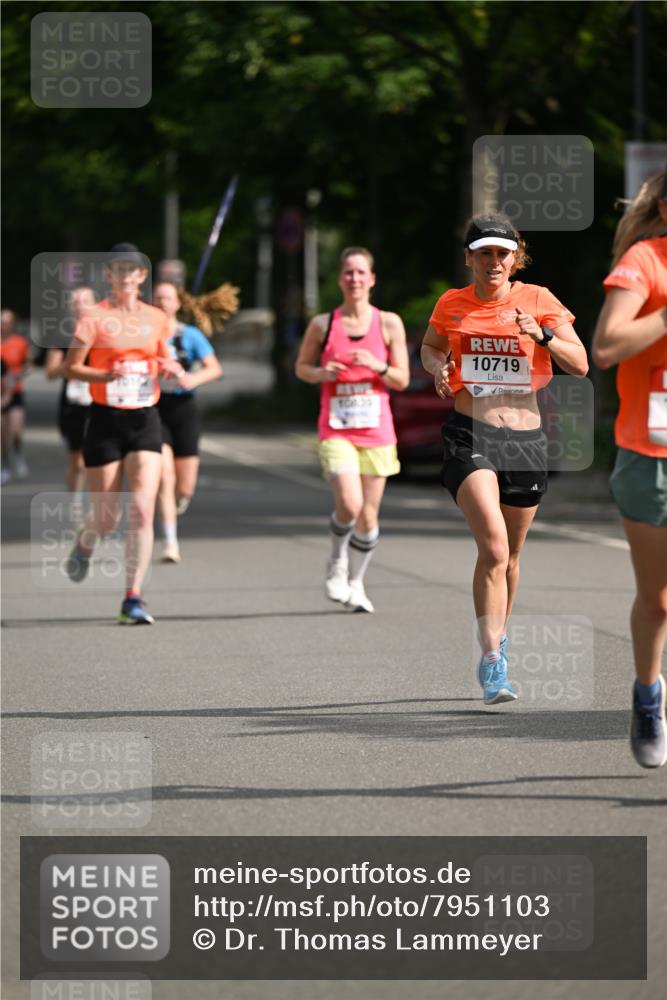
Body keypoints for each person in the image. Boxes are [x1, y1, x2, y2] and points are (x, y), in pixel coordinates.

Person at [421, 214, 588, 705]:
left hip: (525, 440)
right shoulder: (452, 303)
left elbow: (579, 364)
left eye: (503, 253)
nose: (494, 261)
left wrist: (541, 334)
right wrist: (440, 366)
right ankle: (492, 658)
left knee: (512, 556)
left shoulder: (538, 300)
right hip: (469, 433)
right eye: (485, 252)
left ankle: (500, 638)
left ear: (516, 257)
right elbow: (431, 347)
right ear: (469, 257)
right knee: (493, 548)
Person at [63, 244, 184, 624]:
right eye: (118, 270)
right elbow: (71, 367)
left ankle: (132, 597)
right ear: (110, 277)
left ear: (142, 277)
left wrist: (170, 367)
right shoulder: (94, 317)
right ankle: (87, 539)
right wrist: (103, 375)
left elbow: (165, 356)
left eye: (132, 271)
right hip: (105, 420)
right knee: (107, 519)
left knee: (142, 510)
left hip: (145, 417)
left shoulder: (155, 317)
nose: (126, 277)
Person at [592, 168, 667, 768]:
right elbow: (608, 345)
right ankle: (648, 694)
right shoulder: (646, 262)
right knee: (660, 600)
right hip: (651, 456)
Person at [295, 246, 410, 612]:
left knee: (368, 515)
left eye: (361, 272)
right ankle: (336, 561)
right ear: (340, 278)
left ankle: (357, 584)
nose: (354, 279)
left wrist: (378, 366)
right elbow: (301, 367)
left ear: (372, 279)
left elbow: (402, 379)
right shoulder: (322, 324)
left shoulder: (389, 323)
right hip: (336, 428)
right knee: (349, 502)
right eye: (348, 272)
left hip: (377, 431)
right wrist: (321, 373)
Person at [152, 281, 223, 563]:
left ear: (177, 303)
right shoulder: (143, 333)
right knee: (164, 476)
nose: (162, 302)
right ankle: (170, 543)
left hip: (183, 408)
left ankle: (180, 499)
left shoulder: (189, 335)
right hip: (154, 408)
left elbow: (215, 368)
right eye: (157, 297)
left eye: (167, 298)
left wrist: (193, 378)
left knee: (185, 487)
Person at [45, 287, 96, 511]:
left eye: (85, 301)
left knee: (97, 457)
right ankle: (74, 501)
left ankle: (98, 504)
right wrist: (72, 364)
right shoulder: (63, 334)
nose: (80, 306)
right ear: (69, 307)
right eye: (75, 302)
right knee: (77, 461)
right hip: (73, 404)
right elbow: (50, 372)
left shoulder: (104, 332)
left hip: (99, 402)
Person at [1, 309, 31, 483]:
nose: (2, 325)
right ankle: (4, 464)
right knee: (2, 434)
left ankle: (18, 454)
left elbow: (28, 364)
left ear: (12, 324)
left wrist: (17, 374)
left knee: (16, 431)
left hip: (16, 392)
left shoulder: (19, 343)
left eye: (5, 322)